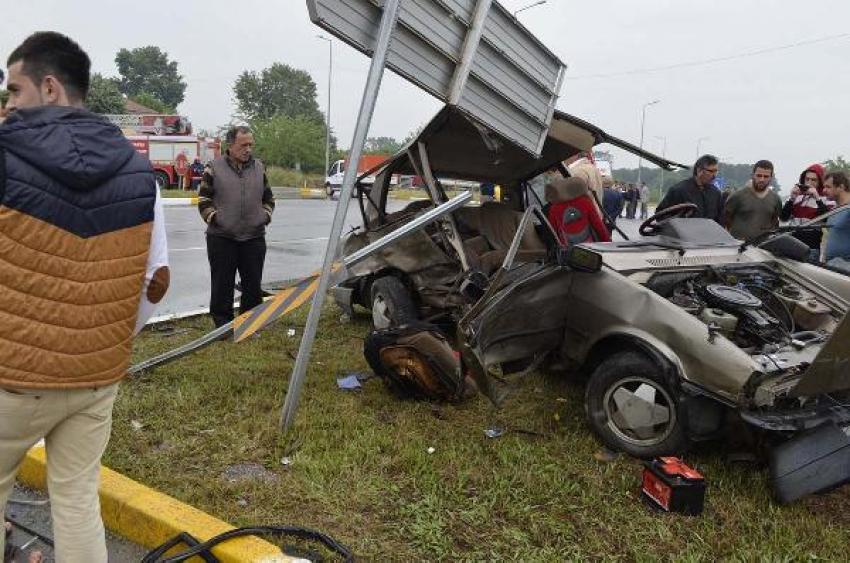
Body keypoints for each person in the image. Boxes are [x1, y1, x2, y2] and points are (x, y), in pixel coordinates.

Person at [0, 32, 169, 562]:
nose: (7, 105)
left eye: (13, 91)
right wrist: (100, 346)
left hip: (12, 378)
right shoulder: (140, 173)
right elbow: (154, 282)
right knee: (75, 497)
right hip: (96, 378)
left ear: (48, 87)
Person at [198, 125, 275, 327]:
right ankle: (223, 326)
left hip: (254, 237)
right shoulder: (213, 167)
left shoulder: (260, 167)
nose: (248, 149)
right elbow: (203, 200)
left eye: (251, 144)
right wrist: (216, 219)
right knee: (222, 284)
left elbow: (269, 199)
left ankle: (249, 324)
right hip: (222, 238)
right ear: (231, 145)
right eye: (244, 145)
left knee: (252, 285)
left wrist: (264, 216)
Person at [780, 164, 834, 258]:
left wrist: (817, 197)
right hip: (792, 245)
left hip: (811, 248)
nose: (809, 182)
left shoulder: (826, 199)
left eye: (813, 180)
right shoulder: (798, 196)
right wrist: (792, 199)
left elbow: (827, 219)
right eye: (807, 179)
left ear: (820, 182)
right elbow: (783, 218)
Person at [723, 160, 782, 241]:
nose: (762, 179)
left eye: (766, 176)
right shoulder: (737, 196)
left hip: (763, 247)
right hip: (739, 246)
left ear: (770, 178)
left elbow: (774, 223)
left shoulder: (776, 199)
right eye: (759, 175)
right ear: (753, 175)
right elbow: (725, 219)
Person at [657, 154, 723, 223]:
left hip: (709, 233)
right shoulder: (679, 190)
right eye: (711, 171)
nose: (714, 175)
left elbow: (720, 220)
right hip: (685, 233)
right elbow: (660, 215)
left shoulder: (716, 193)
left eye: (716, 171)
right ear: (699, 170)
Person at [545, 177, 611, 246]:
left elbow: (552, 231)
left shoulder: (554, 208)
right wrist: (607, 241)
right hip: (590, 248)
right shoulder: (585, 201)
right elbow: (598, 224)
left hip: (568, 249)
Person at [823, 171, 850, 269]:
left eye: (828, 187)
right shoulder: (833, 210)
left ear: (841, 187)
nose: (824, 190)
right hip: (831, 265)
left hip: (846, 266)